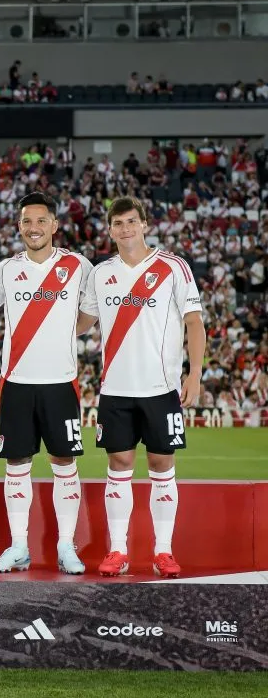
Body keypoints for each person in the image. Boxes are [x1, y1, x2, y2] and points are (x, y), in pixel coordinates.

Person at [77, 196, 205, 578]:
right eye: (118, 223)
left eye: (132, 221)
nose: (126, 229)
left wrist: (194, 374)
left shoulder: (173, 267)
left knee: (162, 465)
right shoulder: (100, 273)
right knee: (119, 465)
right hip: (115, 389)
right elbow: (82, 322)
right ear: (111, 230)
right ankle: (118, 550)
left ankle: (163, 551)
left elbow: (195, 323)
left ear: (145, 224)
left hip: (161, 388)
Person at [0, 192, 92, 574]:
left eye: (41, 220)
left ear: (55, 225)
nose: (34, 227)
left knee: (65, 462)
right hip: (16, 383)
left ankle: (66, 547)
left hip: (61, 382)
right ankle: (18, 546)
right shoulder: (7, 269)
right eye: (27, 221)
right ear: (20, 225)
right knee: (17, 463)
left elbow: (95, 307)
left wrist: (68, 334)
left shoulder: (78, 266)